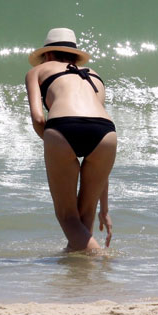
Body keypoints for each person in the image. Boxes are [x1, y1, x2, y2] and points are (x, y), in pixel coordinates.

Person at [25, 28, 116, 252]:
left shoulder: (37, 71)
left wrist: (54, 144)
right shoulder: (94, 75)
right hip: (106, 133)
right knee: (85, 218)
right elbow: (101, 169)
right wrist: (104, 210)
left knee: (67, 217)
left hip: (63, 126)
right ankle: (80, 280)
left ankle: (102, 260)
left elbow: (38, 117)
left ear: (47, 55)